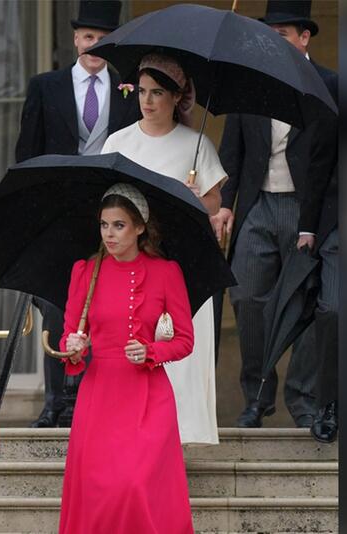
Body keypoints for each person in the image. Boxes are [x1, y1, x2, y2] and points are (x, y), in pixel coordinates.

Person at [15, 0, 140, 428]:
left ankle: (94, 396)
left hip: (111, 207)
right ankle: (56, 399)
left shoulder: (129, 90)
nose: (94, 46)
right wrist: (30, 213)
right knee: (56, 300)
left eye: (103, 39)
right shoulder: (44, 86)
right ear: (74, 39)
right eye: (88, 37)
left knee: (106, 300)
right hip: (57, 209)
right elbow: (26, 155)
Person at [215, 0, 339, 428]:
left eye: (282, 34)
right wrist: (227, 203)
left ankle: (302, 398)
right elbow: (233, 149)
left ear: (304, 37)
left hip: (310, 211)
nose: (274, 41)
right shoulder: (251, 83)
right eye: (269, 33)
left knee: (308, 305)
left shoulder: (330, 86)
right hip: (258, 206)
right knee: (246, 297)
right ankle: (257, 393)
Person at [101, 52, 226, 445]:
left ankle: (182, 432)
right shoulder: (118, 142)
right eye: (142, 92)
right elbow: (104, 199)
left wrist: (192, 198)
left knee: (178, 349)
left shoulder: (197, 143)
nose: (148, 101)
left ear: (176, 97)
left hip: (181, 260)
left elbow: (214, 202)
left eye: (157, 93)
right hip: (132, 262)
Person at [58, 183, 194, 533]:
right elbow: (70, 338)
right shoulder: (85, 272)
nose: (109, 234)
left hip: (148, 395)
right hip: (100, 394)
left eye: (119, 225)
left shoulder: (166, 272)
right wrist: (73, 345)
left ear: (140, 227)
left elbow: (184, 340)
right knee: (99, 493)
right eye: (104, 225)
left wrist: (151, 351)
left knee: (135, 486)